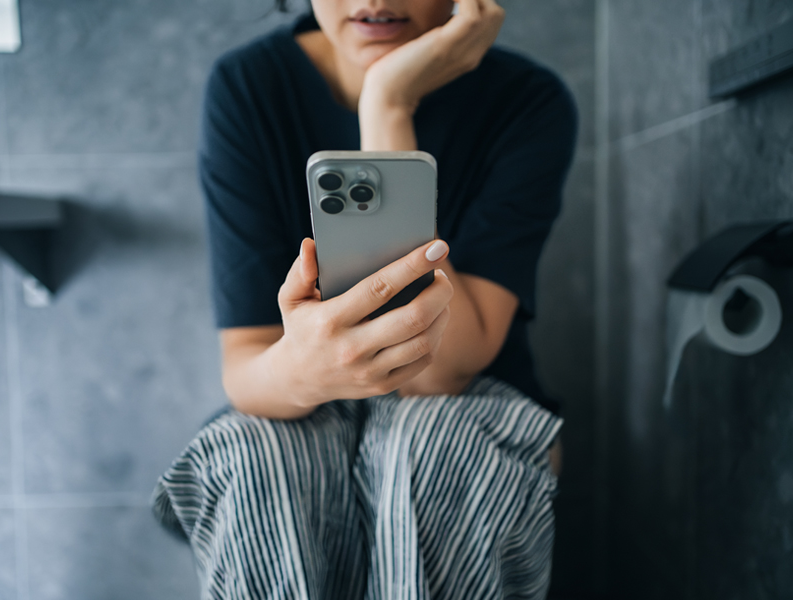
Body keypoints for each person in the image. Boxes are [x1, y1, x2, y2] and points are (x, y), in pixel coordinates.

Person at [152, 0, 578, 598]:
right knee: (253, 459)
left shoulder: (528, 100)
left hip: (463, 401)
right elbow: (246, 366)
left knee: (436, 449)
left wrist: (387, 106)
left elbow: (444, 372)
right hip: (301, 403)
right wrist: (304, 368)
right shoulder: (250, 86)